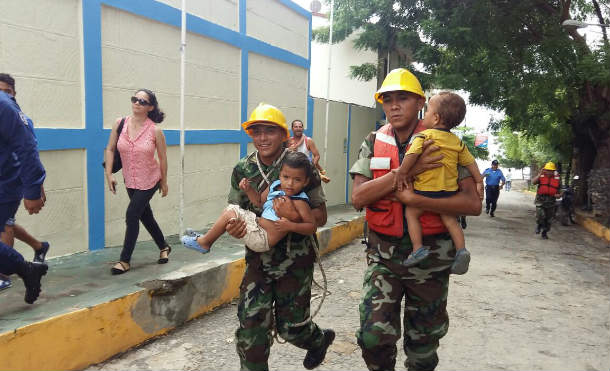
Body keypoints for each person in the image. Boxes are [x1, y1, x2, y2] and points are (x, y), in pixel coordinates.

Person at [350, 68, 482, 371]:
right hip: (384, 255)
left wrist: (415, 200)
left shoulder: (444, 142)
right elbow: (358, 198)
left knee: (423, 347)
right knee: (372, 336)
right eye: (387, 99)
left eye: (403, 98)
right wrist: (404, 172)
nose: (394, 105)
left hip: (432, 258)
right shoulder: (373, 141)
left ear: (420, 102)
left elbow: (472, 203)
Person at [223, 103, 334, 371]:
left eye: (269, 131)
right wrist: (235, 227)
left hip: (295, 261)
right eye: (256, 131)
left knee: (291, 329)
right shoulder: (243, 169)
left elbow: (320, 217)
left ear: (283, 134)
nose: (262, 138)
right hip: (259, 260)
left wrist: (292, 218)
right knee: (251, 332)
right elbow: (236, 211)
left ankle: (317, 340)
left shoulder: (299, 165)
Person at [394, 91, 484, 273]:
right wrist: (479, 181)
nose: (424, 115)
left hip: (424, 191)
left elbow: (412, 155)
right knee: (451, 220)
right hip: (448, 192)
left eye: (427, 111)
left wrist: (403, 172)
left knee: (411, 214)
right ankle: (461, 250)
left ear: (435, 118)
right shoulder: (456, 141)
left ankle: (418, 248)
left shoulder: (424, 136)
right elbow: (470, 163)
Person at [180, 151, 316, 253]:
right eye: (286, 177)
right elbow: (259, 202)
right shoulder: (275, 185)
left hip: (262, 239)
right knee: (231, 212)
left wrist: (291, 225)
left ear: (306, 182)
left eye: (297, 180)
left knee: (230, 212)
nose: (290, 183)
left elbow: (312, 226)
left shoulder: (299, 201)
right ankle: (206, 237)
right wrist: (249, 189)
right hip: (257, 225)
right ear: (280, 175)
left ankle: (205, 242)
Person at [104, 89, 170, 275]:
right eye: (135, 99)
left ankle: (124, 260)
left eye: (142, 101)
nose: (137, 103)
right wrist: (109, 174)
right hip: (130, 180)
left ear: (150, 107)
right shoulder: (120, 123)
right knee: (145, 216)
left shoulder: (155, 131)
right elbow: (110, 149)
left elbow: (163, 158)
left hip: (150, 179)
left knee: (132, 214)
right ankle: (164, 246)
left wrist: (164, 182)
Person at [0, 88, 48, 304]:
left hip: (5, 184)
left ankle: (24, 269)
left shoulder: (4, 106)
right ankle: (27, 269)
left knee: (7, 228)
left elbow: (27, 147)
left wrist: (33, 189)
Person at [532, 162, 561, 239]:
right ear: (544, 170)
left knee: (548, 219)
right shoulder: (541, 176)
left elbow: (560, 191)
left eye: (551, 170)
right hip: (540, 200)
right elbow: (533, 182)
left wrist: (559, 195)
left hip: (551, 201)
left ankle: (544, 232)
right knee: (540, 215)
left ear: (553, 171)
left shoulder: (557, 179)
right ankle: (539, 225)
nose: (549, 172)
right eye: (547, 170)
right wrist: (539, 174)